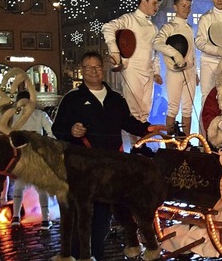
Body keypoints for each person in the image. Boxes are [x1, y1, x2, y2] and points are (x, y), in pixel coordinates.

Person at [52, 51, 165, 260]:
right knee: (80, 217)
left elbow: (128, 123)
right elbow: (57, 129)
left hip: (110, 173)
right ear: (82, 70)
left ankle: (96, 254)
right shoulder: (72, 99)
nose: (93, 71)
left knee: (102, 218)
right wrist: (71, 131)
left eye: (97, 67)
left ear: (102, 69)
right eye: (88, 67)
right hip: (82, 172)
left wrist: (147, 129)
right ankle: (77, 255)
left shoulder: (116, 99)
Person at [102, 0, 163, 125]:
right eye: (154, 3)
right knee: (134, 111)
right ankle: (136, 145)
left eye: (158, 5)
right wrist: (115, 52)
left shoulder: (153, 27)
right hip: (132, 69)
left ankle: (142, 144)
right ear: (143, 1)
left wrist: (157, 71)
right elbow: (108, 27)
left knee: (146, 110)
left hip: (149, 71)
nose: (156, 8)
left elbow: (155, 51)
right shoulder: (129, 19)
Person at [154, 0, 198, 135]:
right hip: (174, 73)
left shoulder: (190, 28)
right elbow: (157, 43)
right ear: (175, 7)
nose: (186, 9)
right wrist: (176, 54)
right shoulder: (168, 27)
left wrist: (196, 72)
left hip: (190, 72)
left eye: (189, 6)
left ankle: (184, 144)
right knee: (173, 107)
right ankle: (170, 146)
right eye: (183, 6)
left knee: (188, 108)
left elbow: (193, 52)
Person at [10, 91, 54, 230]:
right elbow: (52, 132)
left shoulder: (13, 116)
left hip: (20, 155)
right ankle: (45, 219)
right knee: (42, 188)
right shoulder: (40, 114)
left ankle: (15, 217)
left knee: (19, 186)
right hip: (36, 154)